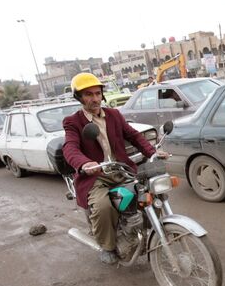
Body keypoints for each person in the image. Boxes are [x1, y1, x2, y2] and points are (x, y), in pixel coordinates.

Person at [63, 73, 169, 265]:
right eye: (88, 95)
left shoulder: (114, 115)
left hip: (121, 170)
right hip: (97, 176)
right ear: (79, 97)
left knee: (152, 193)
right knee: (104, 207)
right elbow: (70, 147)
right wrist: (85, 163)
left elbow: (134, 136)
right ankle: (108, 246)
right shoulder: (73, 122)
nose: (95, 99)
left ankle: (147, 231)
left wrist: (153, 151)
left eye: (97, 93)